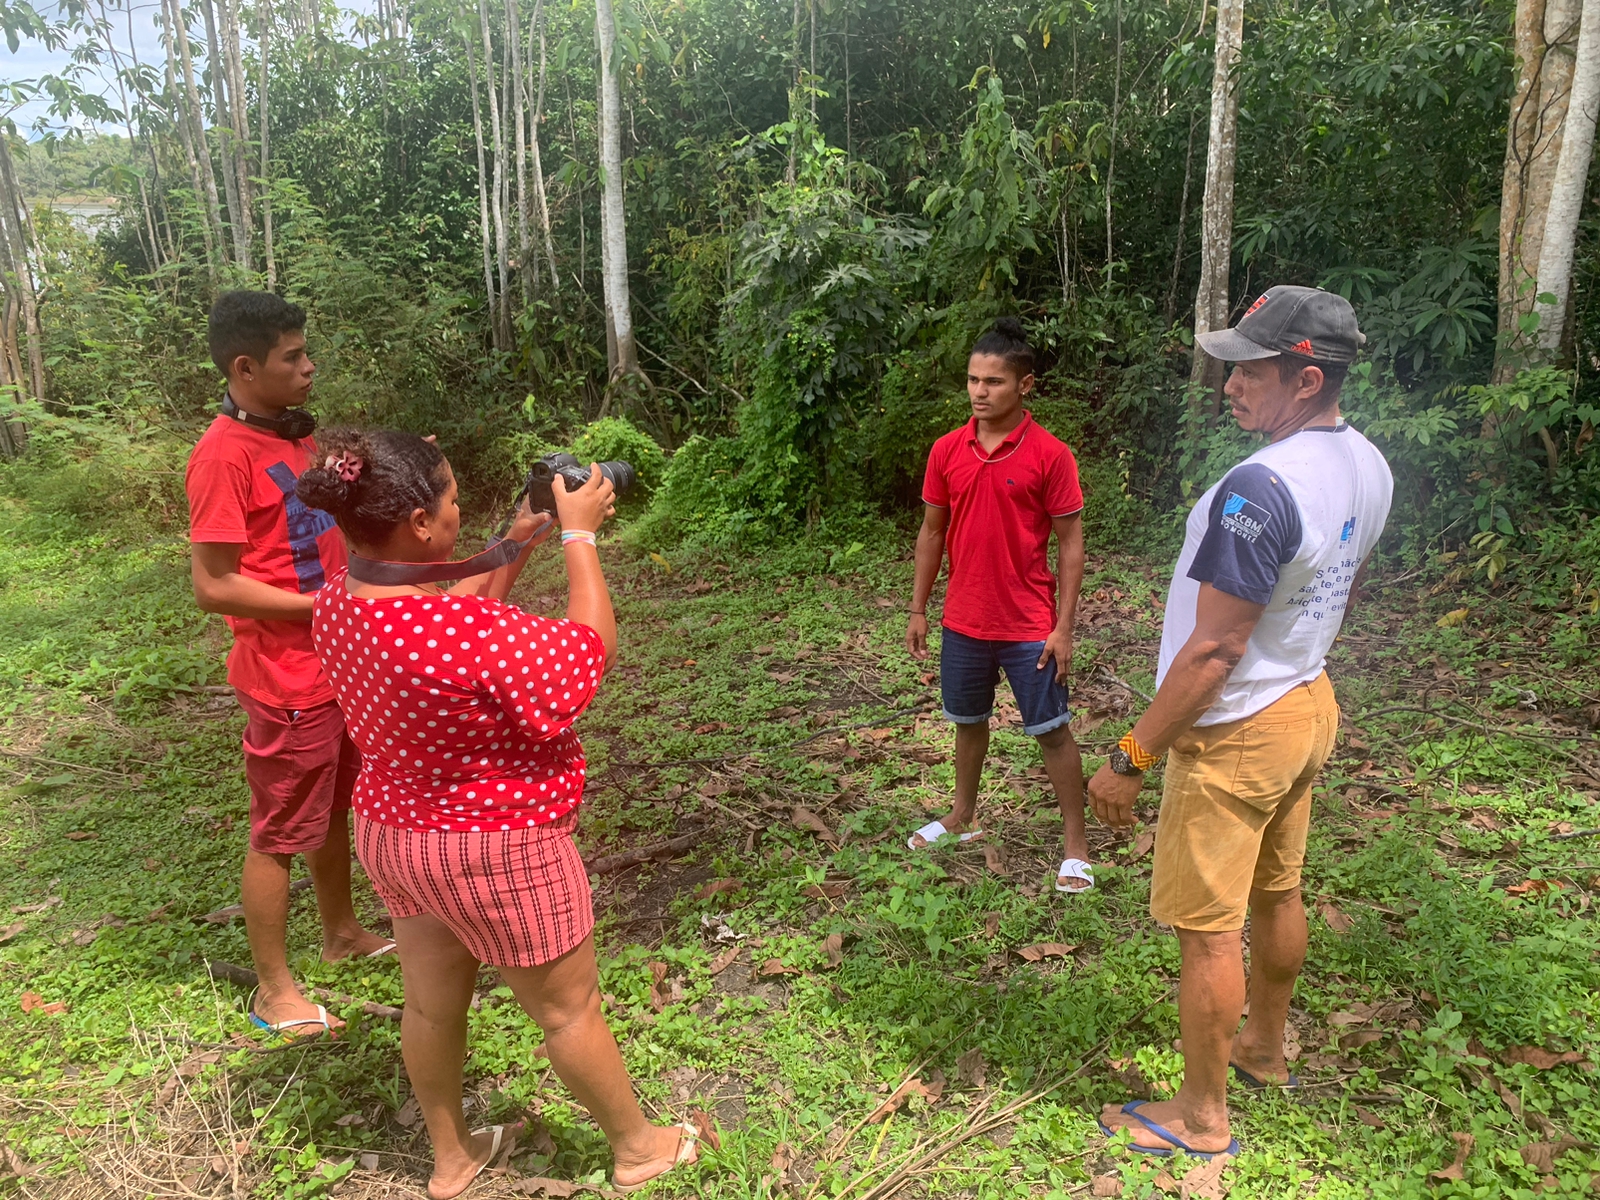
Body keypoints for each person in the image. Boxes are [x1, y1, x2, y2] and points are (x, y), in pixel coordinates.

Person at [296, 432, 698, 1200]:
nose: (458, 509)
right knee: (567, 1007)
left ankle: (451, 1161)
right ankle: (639, 1150)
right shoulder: (465, 637)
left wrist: (523, 531)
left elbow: (450, 606)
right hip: (495, 849)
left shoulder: (341, 598)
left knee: (430, 1003)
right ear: (420, 522)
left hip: (396, 834)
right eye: (451, 500)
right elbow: (587, 652)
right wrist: (579, 536)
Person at [1089, 286, 1392, 1159]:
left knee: (1208, 928)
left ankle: (1200, 1117)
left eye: (1248, 370)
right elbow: (1345, 584)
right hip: (1307, 702)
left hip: (1236, 727)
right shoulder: (1367, 463)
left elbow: (1213, 651)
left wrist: (1134, 752)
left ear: (1304, 379)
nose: (1230, 385)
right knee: (1279, 889)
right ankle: (1263, 1049)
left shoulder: (1259, 489)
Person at [186, 291, 393, 1040]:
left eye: (307, 353)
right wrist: (323, 611)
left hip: (336, 663)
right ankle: (275, 991)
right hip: (287, 677)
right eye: (293, 357)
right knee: (278, 830)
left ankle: (341, 933)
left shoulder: (289, 438)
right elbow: (214, 584)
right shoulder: (222, 457)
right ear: (246, 368)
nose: (309, 368)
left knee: (333, 804)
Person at [905, 317, 1094, 894]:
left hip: (1028, 624)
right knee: (968, 724)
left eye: (993, 381)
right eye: (972, 380)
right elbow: (932, 532)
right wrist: (918, 609)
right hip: (964, 619)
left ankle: (1076, 847)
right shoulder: (947, 450)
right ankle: (962, 815)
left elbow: (1070, 543)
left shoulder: (1050, 455)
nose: (979, 392)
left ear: (1025, 385)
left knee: (1052, 731)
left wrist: (1063, 628)